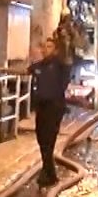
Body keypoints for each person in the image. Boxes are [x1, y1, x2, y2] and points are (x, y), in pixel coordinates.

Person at [27, 36, 72, 188]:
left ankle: (48, 173)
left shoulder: (60, 65)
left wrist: (65, 42)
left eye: (49, 47)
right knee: (41, 138)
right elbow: (26, 71)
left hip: (54, 107)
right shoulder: (39, 66)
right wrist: (3, 70)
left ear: (55, 50)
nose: (46, 50)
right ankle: (49, 173)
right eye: (44, 47)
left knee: (49, 140)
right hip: (41, 107)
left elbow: (67, 65)